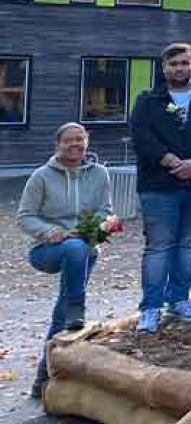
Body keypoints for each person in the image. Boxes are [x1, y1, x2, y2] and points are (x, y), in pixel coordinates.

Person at [129, 43, 191, 333]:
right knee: (159, 246)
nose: (180, 68)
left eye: (185, 63)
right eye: (174, 64)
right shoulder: (148, 100)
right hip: (159, 186)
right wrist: (172, 162)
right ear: (164, 68)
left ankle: (180, 300)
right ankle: (150, 308)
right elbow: (141, 137)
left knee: (186, 245)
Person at [19, 123, 111, 399]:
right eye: (68, 141)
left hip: (84, 249)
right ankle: (77, 306)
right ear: (57, 145)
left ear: (87, 142)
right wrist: (50, 232)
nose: (75, 145)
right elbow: (25, 216)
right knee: (73, 250)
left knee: (63, 310)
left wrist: (99, 227)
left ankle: (43, 376)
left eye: (80, 140)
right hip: (48, 250)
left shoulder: (100, 174)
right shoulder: (41, 177)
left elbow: (105, 211)